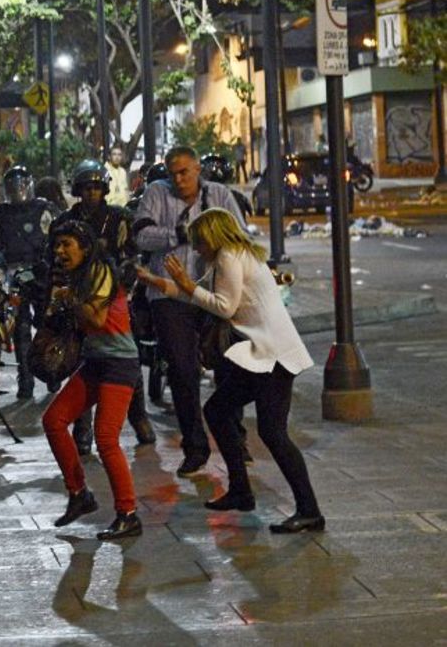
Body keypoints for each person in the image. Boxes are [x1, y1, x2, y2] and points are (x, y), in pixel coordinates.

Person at [137, 208, 323, 534]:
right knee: (219, 410)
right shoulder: (233, 256)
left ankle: (309, 510)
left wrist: (186, 286)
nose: (196, 250)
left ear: (211, 236)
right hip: (259, 356)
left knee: (273, 433)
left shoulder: (229, 256)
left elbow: (225, 306)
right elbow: (196, 293)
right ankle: (240, 491)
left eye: (198, 242)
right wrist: (160, 283)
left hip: (271, 357)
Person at [133, 147, 249, 477]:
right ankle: (195, 447)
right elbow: (141, 235)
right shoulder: (156, 194)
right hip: (169, 294)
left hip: (212, 293)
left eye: (185, 171)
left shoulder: (219, 195)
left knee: (230, 364)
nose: (179, 179)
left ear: (198, 169)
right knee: (183, 371)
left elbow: (238, 235)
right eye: (173, 173)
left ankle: (234, 439)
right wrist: (179, 234)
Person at [41, 221, 142, 540]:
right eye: (57, 245)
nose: (60, 251)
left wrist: (68, 298)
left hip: (119, 364)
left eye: (67, 244)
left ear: (84, 247)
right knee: (54, 420)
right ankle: (79, 495)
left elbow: (97, 317)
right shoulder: (76, 276)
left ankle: (128, 514)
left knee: (106, 438)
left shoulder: (99, 271)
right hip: (96, 361)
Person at [54, 160, 155, 452]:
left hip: (116, 298)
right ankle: (82, 429)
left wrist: (121, 277)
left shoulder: (119, 218)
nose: (92, 192)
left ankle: (139, 418)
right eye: (87, 187)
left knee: (126, 359)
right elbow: (55, 259)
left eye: (97, 186)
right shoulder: (66, 221)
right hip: (79, 297)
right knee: (79, 362)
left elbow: (134, 256)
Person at [0, 165, 58, 400]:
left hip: (41, 273)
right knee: (20, 329)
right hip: (14, 276)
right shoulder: (0, 214)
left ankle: (52, 372)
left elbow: (56, 239)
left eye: (20, 186)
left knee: (48, 324)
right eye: (11, 187)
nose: (17, 191)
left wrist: (50, 266)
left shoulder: (44, 209)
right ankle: (25, 379)